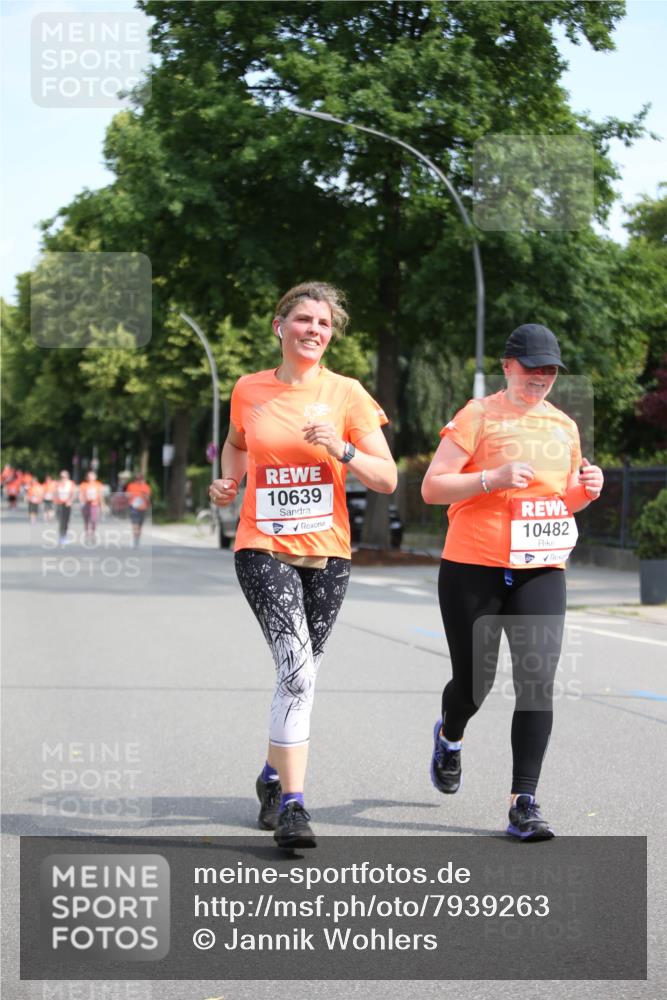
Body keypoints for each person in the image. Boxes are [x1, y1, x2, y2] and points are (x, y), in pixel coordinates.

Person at [210, 282, 397, 849]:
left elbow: (386, 478)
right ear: (280, 326)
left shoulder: (347, 394)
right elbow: (237, 444)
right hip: (262, 544)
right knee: (294, 668)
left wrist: (341, 449)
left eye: (324, 323)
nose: (314, 329)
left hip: (328, 553)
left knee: (302, 674)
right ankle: (294, 805)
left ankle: (272, 774)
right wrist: (229, 482)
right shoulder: (249, 389)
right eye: (304, 319)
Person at [421, 324, 604, 841]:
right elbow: (432, 487)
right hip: (473, 565)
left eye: (550, 370)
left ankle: (523, 801)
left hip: (540, 568)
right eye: (531, 368)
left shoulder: (563, 426)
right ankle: (450, 734)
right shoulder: (476, 416)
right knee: (473, 685)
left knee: (537, 680)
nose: (540, 377)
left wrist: (587, 491)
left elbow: (562, 500)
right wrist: (491, 479)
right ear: (507, 366)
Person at [125, 472, 152, 546]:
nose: (138, 480)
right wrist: (129, 495)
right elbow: (127, 495)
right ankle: (135, 538)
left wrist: (145, 496)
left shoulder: (146, 487)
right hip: (133, 507)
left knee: (140, 525)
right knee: (135, 523)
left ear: (142, 479)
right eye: (137, 479)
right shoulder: (131, 486)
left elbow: (148, 498)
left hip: (143, 508)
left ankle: (137, 537)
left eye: (139, 479)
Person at [79, 470, 104, 539]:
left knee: (94, 519)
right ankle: (87, 532)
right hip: (86, 504)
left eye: (92, 476)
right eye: (89, 476)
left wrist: (102, 505)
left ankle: (93, 532)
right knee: (86, 520)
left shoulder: (98, 484)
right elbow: (81, 495)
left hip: (95, 504)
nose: (90, 478)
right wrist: (82, 501)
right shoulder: (83, 484)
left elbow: (100, 495)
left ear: (95, 477)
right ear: (87, 477)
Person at [54, 470, 76, 545]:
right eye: (61, 476)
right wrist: (55, 500)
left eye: (64, 476)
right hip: (59, 504)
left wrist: (70, 500)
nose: (62, 478)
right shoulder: (58, 483)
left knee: (66, 521)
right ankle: (61, 536)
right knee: (61, 520)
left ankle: (64, 536)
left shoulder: (71, 483)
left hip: (67, 504)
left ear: (67, 477)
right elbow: (55, 493)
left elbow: (73, 493)